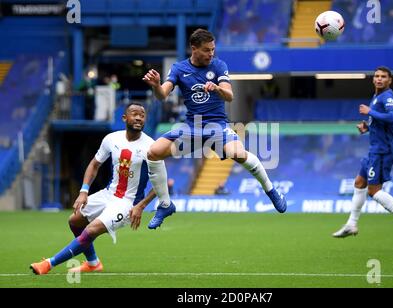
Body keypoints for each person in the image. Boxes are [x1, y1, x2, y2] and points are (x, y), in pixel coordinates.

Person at [142, 28, 287, 224]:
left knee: (238, 154)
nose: (211, 53)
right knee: (153, 153)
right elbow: (162, 96)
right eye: (206, 50)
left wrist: (217, 88)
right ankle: (166, 204)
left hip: (217, 126)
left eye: (213, 49)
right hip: (192, 127)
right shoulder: (178, 69)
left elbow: (230, 95)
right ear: (194, 49)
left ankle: (271, 190)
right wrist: (156, 86)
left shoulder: (218, 66)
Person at [30, 102, 161, 275]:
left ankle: (49, 264)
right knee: (74, 221)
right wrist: (84, 191)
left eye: (142, 115)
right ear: (124, 118)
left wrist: (141, 206)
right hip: (109, 194)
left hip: (128, 203)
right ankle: (93, 263)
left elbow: (161, 182)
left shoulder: (151, 147)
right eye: (134, 114)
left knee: (91, 230)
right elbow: (94, 164)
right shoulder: (111, 139)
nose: (138, 118)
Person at [332, 66, 393, 243]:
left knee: (374, 191)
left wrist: (370, 112)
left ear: (389, 80)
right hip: (374, 150)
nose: (379, 79)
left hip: (382, 151)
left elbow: (392, 117)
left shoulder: (387, 96)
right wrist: (368, 126)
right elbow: (382, 122)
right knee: (359, 182)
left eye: (383, 77)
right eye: (377, 76)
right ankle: (351, 223)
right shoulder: (377, 96)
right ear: (373, 79)